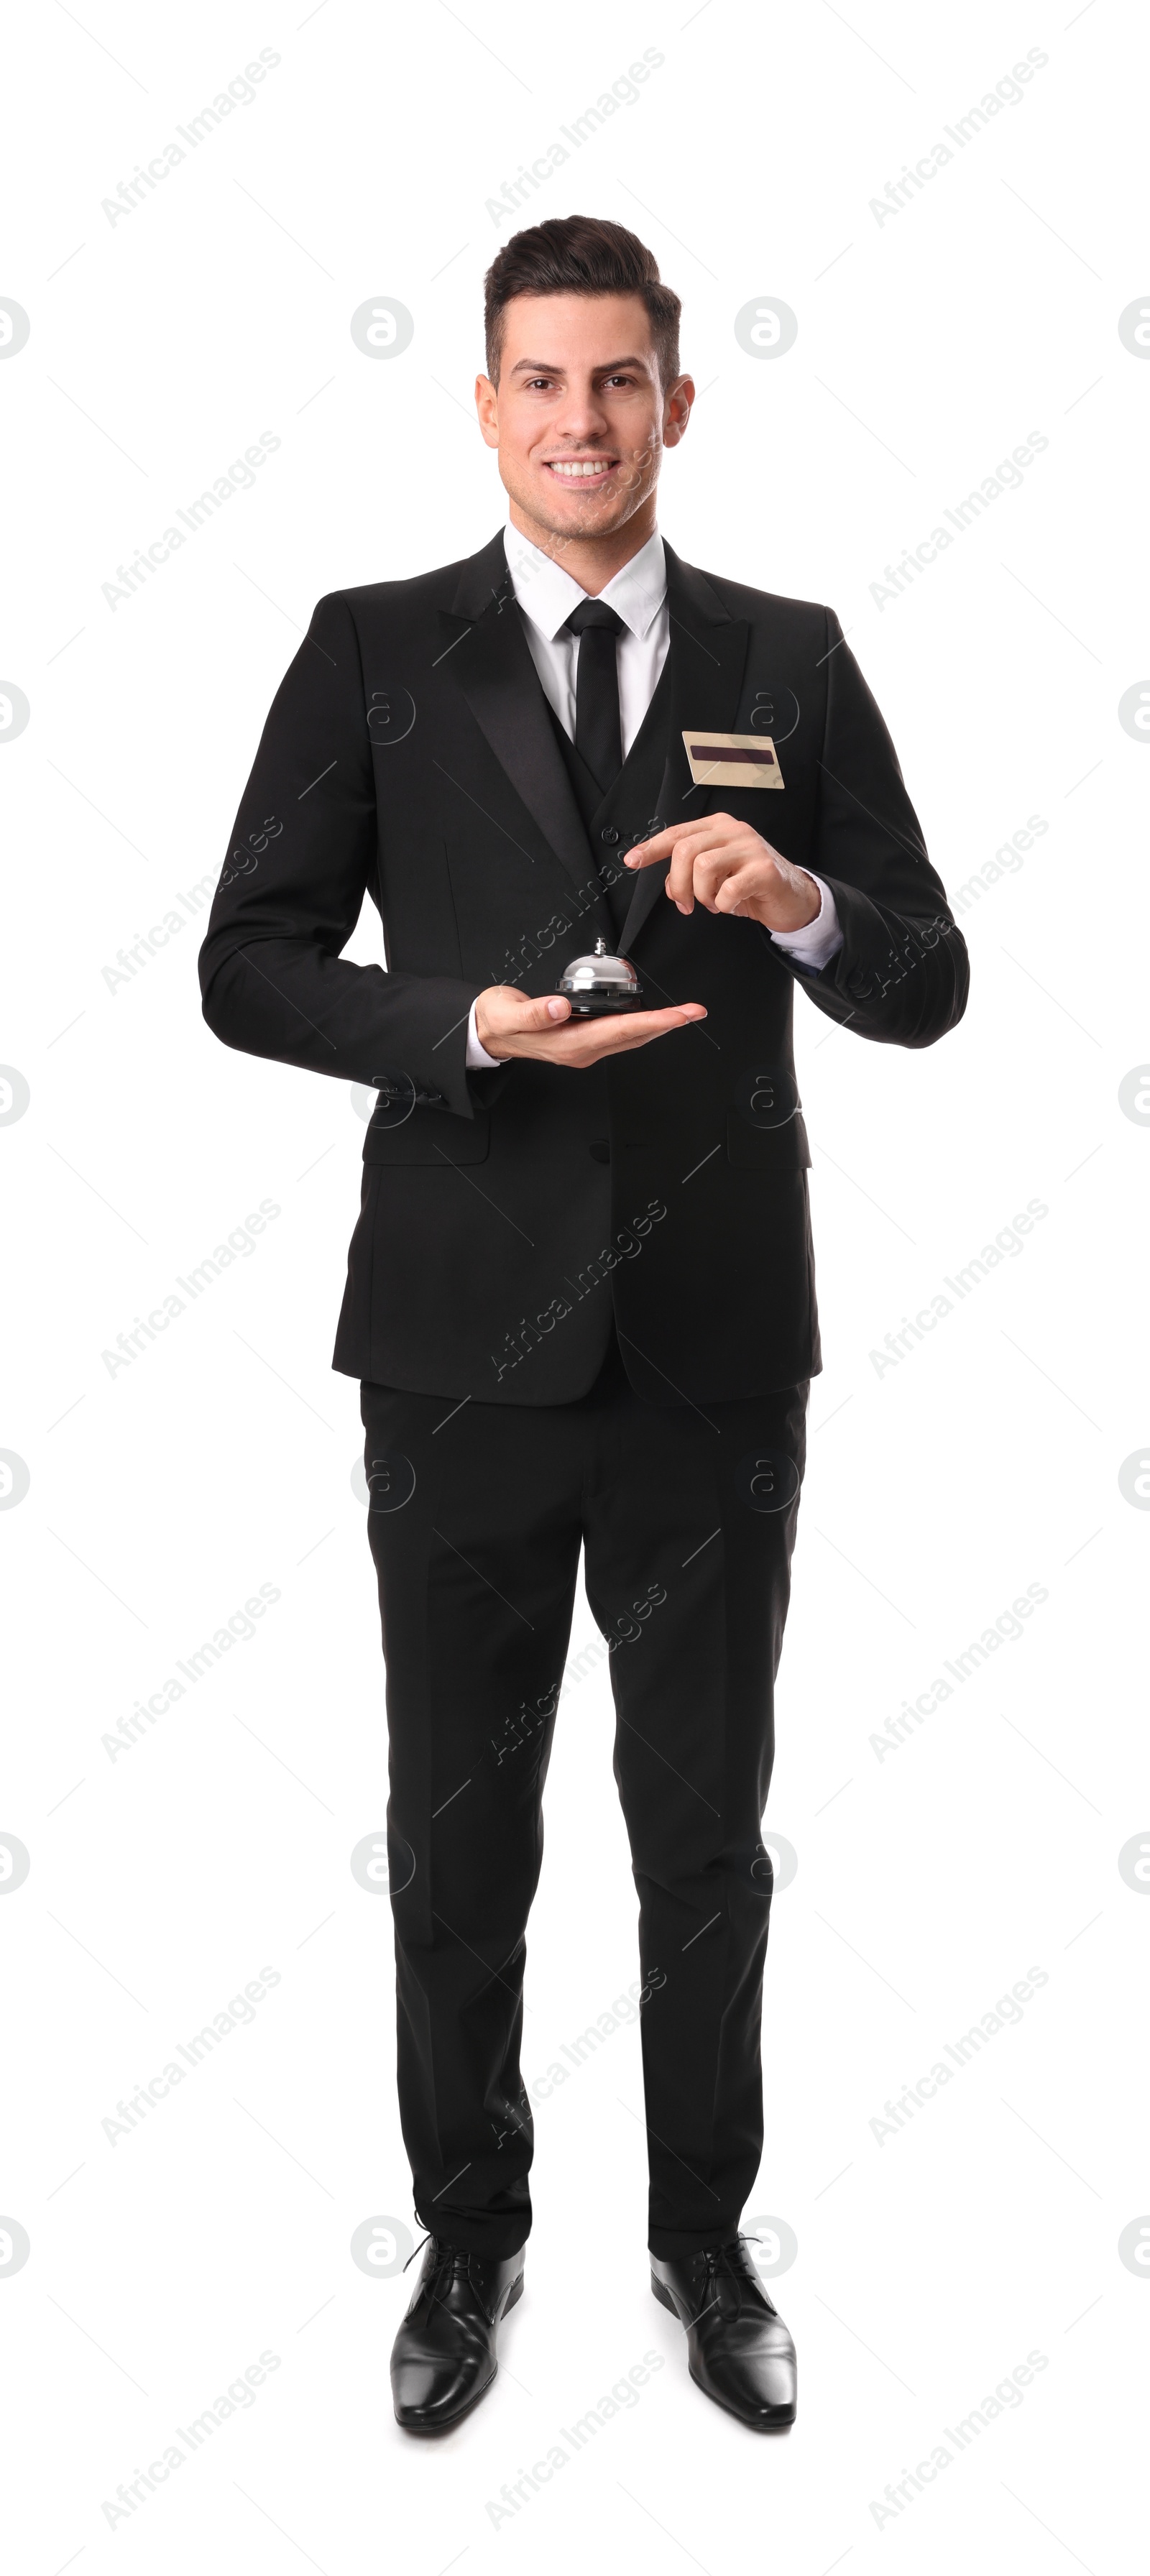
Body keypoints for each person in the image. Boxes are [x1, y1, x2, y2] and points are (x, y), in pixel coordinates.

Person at [198, 214, 968, 2437]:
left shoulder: (790, 660)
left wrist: (805, 901)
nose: (577, 422)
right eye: (538, 382)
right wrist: (464, 1030)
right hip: (457, 1350)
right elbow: (247, 962)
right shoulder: (375, 651)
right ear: (483, 404)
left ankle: (703, 2243)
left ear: (678, 403)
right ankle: (469, 2237)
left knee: (704, 1826)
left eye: (616, 381)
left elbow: (927, 983)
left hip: (717, 1354)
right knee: (462, 1832)